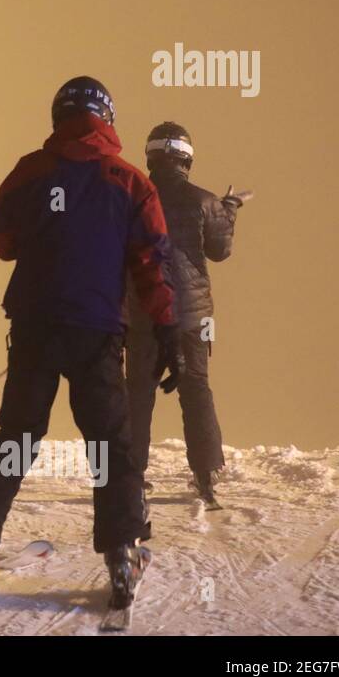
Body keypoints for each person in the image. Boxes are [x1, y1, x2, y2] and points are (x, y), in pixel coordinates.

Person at [0, 77, 183, 614]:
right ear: (107, 118)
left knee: (17, 437)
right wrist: (168, 329)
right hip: (96, 329)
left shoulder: (31, 171)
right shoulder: (130, 181)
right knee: (108, 445)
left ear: (58, 116)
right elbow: (151, 261)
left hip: (35, 325)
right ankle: (122, 552)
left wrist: (46, 238)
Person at [125, 122, 248, 507]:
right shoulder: (204, 200)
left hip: (143, 313)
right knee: (196, 389)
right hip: (194, 318)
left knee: (138, 394)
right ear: (187, 159)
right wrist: (229, 209)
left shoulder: (129, 198)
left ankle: (131, 476)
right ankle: (206, 474)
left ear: (151, 156)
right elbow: (220, 251)